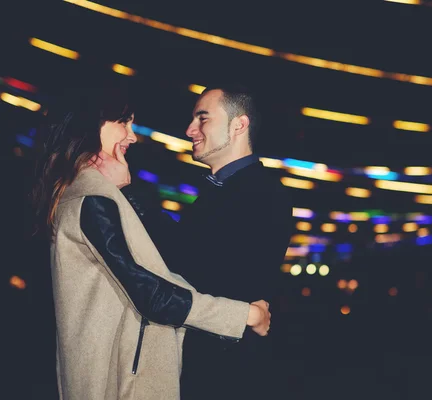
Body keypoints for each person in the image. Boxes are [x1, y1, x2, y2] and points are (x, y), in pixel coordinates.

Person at [30, 85, 272, 400]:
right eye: (123, 123)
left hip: (114, 374)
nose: (132, 136)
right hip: (116, 382)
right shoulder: (92, 198)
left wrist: (123, 190)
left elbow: (168, 263)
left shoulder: (81, 192)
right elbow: (151, 293)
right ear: (93, 124)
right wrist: (246, 316)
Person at [102, 84, 293, 399]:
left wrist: (128, 191)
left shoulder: (263, 194)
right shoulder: (227, 190)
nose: (190, 129)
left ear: (239, 125)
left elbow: (190, 265)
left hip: (221, 373)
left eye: (203, 119)